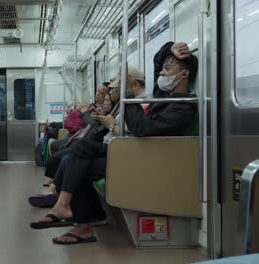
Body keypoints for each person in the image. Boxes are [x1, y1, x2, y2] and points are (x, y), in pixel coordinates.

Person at [30, 42, 198, 245]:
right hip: (137, 150)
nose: (161, 73)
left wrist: (127, 94)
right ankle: (64, 204)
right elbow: (157, 61)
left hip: (150, 157)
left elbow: (142, 129)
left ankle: (79, 222)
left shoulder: (183, 107)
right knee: (81, 148)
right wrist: (170, 49)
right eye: (163, 68)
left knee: (83, 166)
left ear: (183, 75)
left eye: (167, 69)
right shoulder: (166, 95)